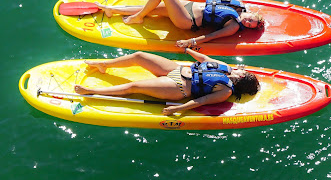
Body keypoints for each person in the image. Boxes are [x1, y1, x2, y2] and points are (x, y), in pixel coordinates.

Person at [74, 48, 260, 116]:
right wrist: (188, 49)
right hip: (175, 70)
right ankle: (104, 65)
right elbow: (204, 59)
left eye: (243, 70)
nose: (241, 68)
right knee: (140, 56)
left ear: (242, 77)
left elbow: (201, 101)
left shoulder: (226, 90)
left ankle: (91, 91)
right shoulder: (225, 67)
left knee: (134, 87)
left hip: (178, 88)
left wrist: (177, 109)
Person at [96, 0, 264, 49]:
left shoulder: (233, 25)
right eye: (250, 19)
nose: (247, 22)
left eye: (250, 25)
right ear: (250, 12)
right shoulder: (237, 6)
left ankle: (137, 18)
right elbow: (213, 0)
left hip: (186, 20)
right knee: (150, 8)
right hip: (187, 7)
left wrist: (190, 42)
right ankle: (112, 10)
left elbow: (211, 36)